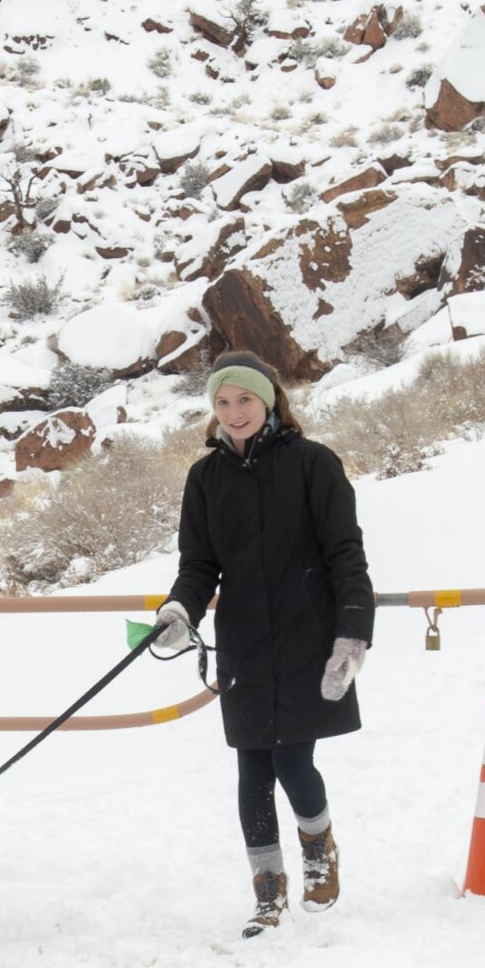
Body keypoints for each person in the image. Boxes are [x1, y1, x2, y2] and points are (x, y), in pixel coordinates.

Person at [152, 351, 373, 937]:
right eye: (222, 403)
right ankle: (268, 886)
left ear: (269, 399)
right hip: (245, 639)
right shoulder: (205, 479)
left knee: (292, 759)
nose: (234, 412)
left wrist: (352, 633)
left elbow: (345, 554)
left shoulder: (313, 464)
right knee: (252, 765)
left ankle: (318, 850)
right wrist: (180, 609)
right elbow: (199, 565)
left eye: (244, 399)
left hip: (308, 636)